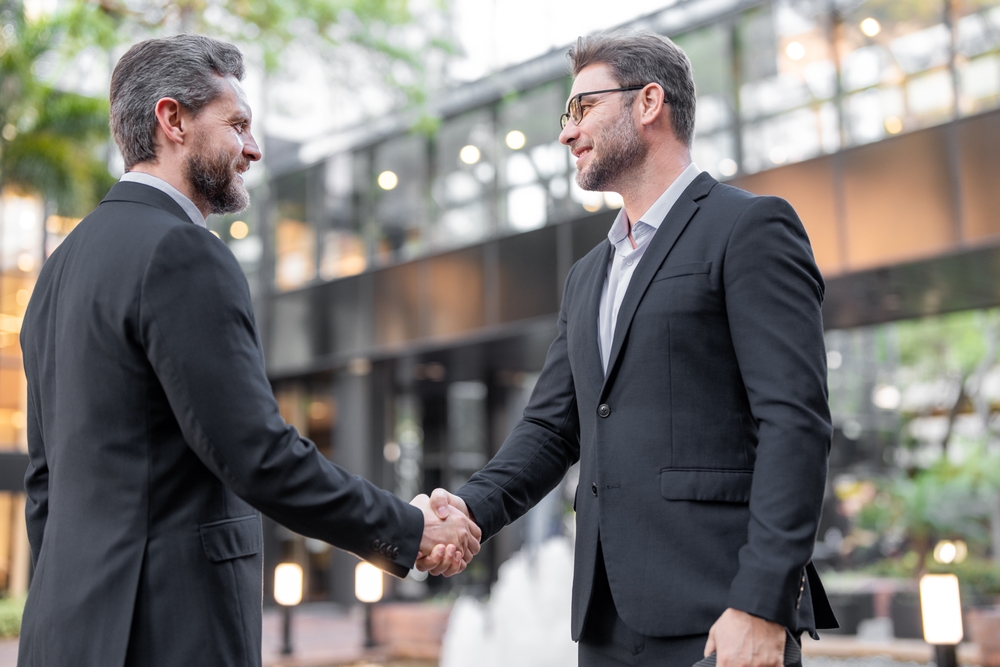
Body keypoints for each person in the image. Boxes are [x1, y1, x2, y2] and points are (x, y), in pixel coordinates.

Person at [18, 34, 476, 667]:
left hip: (61, 637)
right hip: (166, 635)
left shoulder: (57, 270)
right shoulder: (183, 251)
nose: (254, 149)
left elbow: (44, 485)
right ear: (173, 120)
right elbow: (256, 454)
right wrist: (409, 528)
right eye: (237, 125)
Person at [430, 30, 838, 667]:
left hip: (721, 615)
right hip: (605, 621)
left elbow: (795, 423)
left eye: (583, 107)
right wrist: (468, 510)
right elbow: (550, 429)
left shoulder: (750, 227)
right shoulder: (587, 274)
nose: (568, 132)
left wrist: (763, 602)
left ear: (649, 102)